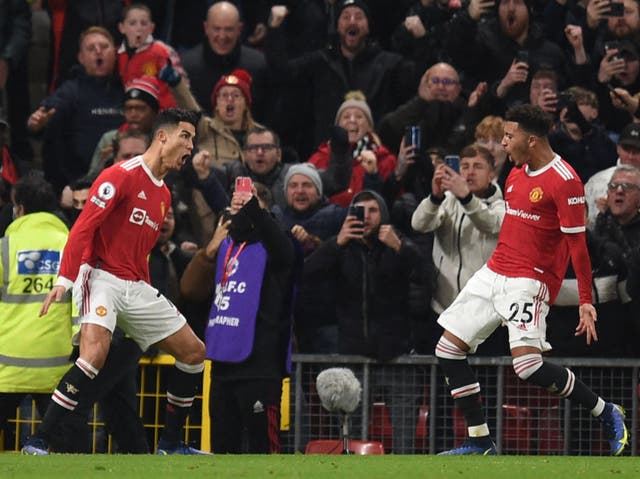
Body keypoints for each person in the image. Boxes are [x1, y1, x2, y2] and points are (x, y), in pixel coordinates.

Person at [434, 104, 628, 456]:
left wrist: (586, 300)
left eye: (509, 136)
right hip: (494, 270)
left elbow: (578, 247)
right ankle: (480, 441)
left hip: (530, 280)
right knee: (447, 349)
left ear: (532, 140)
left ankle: (606, 411)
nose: (503, 143)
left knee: (526, 366)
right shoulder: (516, 174)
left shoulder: (565, 181)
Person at [21, 108, 208, 456]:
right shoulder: (119, 176)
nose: (190, 146)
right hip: (100, 276)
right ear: (162, 136)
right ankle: (39, 440)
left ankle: (170, 444)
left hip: (134, 285)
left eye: (193, 139)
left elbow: (141, 253)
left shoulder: (164, 195)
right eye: (186, 136)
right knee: (94, 355)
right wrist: (65, 278)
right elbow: (83, 228)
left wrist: (148, 304)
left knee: (194, 352)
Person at [180, 182, 297, 453]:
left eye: (251, 209)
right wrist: (208, 252)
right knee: (222, 450)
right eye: (239, 209)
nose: (244, 214)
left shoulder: (278, 246)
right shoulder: (224, 247)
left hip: (260, 367)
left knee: (263, 452)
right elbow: (190, 291)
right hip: (222, 366)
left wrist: (254, 208)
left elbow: (284, 251)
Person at [304, 189, 423, 453]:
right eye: (359, 211)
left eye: (373, 210)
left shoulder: (396, 243)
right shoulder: (342, 247)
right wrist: (337, 242)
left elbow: (427, 276)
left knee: (406, 443)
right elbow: (307, 274)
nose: (366, 217)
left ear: (384, 215)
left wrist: (401, 247)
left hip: (397, 356)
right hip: (355, 357)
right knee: (354, 436)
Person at [266, 1, 416, 159]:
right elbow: (282, 73)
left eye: (358, 17)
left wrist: (420, 40)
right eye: (346, 17)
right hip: (326, 156)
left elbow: (419, 81)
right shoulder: (321, 61)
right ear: (337, 26)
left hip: (375, 156)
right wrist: (274, 29)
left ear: (368, 26)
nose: (352, 21)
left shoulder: (388, 64)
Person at [411, 144, 506, 353]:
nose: (470, 172)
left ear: (491, 174)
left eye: (478, 166)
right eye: (464, 166)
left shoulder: (502, 207)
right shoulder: (446, 202)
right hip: (443, 311)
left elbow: (489, 223)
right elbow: (419, 224)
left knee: (482, 379)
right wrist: (435, 197)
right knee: (442, 381)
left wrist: (466, 198)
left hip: (484, 317)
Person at [0, 176, 72, 443]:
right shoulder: (70, 246)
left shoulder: (5, 247)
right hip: (59, 365)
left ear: (19, 209)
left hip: (7, 365)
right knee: (68, 453)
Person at [27, 26, 124, 195]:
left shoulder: (127, 86)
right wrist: (36, 124)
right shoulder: (71, 90)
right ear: (81, 58)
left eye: (104, 46)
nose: (98, 52)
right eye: (91, 48)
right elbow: (46, 113)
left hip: (124, 179)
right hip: (79, 184)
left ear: (115, 53)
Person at [272, 163, 347, 353]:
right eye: (293, 185)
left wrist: (314, 243)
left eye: (306, 185)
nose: (299, 191)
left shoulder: (337, 217)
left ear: (318, 190)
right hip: (288, 320)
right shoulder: (275, 219)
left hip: (327, 319)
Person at [309, 91, 397, 208]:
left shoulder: (385, 160)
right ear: (338, 125)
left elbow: (389, 202)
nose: (352, 120)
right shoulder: (319, 158)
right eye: (346, 116)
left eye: (359, 116)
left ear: (369, 126)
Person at [181, 1, 267, 120]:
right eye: (217, 29)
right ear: (206, 28)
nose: (222, 36)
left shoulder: (258, 65)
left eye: (229, 29)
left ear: (239, 29)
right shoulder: (187, 65)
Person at [116, 3, 186, 110]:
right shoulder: (118, 54)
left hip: (162, 115)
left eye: (144, 24)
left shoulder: (163, 51)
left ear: (151, 28)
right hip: (132, 113)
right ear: (122, 28)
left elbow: (182, 88)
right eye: (132, 23)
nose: (139, 28)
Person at [88, 76, 160, 177]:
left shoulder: (163, 141)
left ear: (154, 112)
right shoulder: (110, 139)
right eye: (128, 108)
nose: (133, 114)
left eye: (140, 109)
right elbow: (92, 177)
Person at [584, 122, 640, 227]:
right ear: (618, 148)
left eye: (637, 151)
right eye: (626, 149)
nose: (631, 156)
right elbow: (586, 224)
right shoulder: (597, 182)